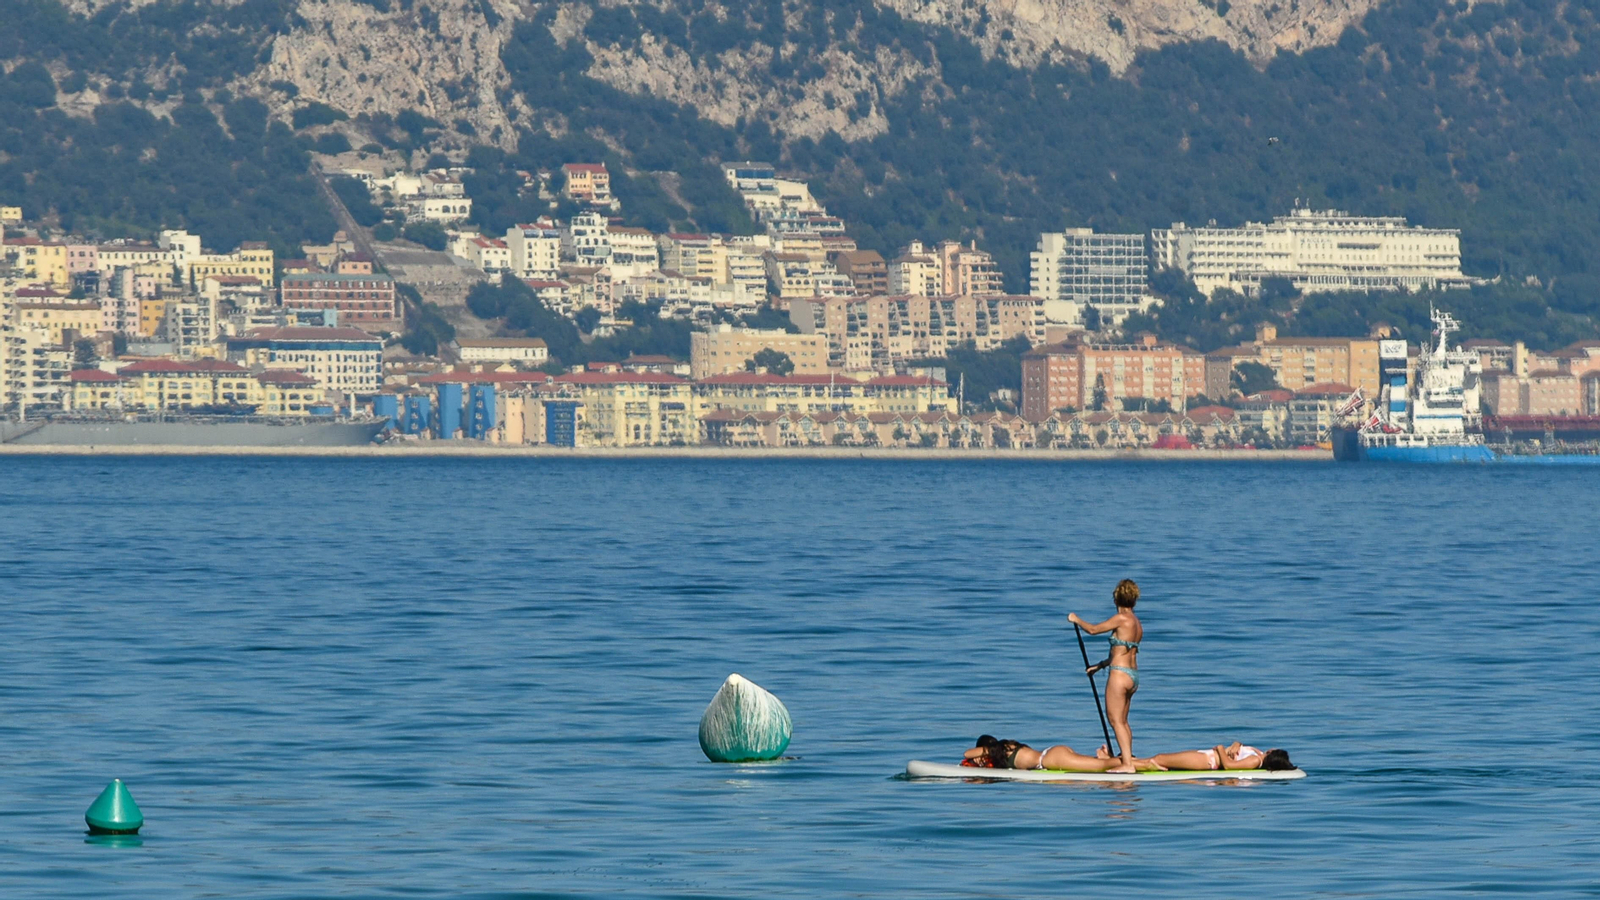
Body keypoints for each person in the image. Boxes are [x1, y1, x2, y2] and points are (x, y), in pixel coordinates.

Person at [1069, 579, 1143, 773]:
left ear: (1116, 598)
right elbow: (1122, 651)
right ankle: (1128, 758)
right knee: (1123, 721)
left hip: (1119, 676)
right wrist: (1100, 665)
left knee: (1115, 720)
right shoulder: (1137, 623)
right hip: (1132, 675)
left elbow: (1093, 630)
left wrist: (1076, 619)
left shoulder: (1121, 619)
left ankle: (1127, 765)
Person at [961, 735, 1154, 772]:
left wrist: (979, 757)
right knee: (1096, 765)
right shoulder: (1006, 749)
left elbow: (967, 752)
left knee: (1101, 768)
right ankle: (1106, 758)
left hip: (1051, 759)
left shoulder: (996, 749)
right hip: (1052, 754)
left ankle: (1145, 764)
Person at [1146, 742, 1295, 772]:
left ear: (1273, 752)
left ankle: (1128, 763)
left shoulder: (1256, 760)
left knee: (1160, 759)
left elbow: (1230, 766)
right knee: (1159, 758)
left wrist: (1221, 749)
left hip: (1207, 761)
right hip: (1207, 755)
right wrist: (1237, 744)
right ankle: (1126, 761)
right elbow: (1241, 748)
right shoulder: (1257, 753)